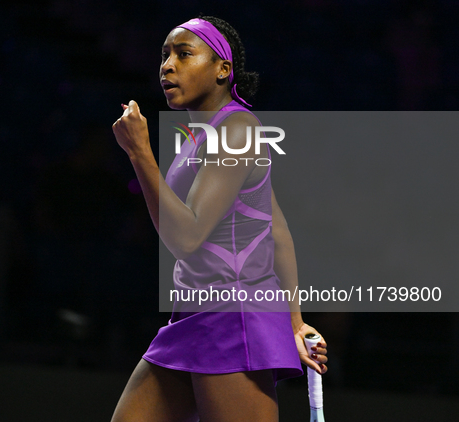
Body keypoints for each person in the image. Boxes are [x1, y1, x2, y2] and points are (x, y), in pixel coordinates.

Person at [111, 15, 327, 422]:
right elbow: (274, 228)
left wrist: (140, 153)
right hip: (192, 316)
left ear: (223, 70)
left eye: (184, 53)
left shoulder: (238, 128)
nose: (167, 65)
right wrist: (296, 323)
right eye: (164, 55)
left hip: (233, 320)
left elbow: (187, 238)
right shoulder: (201, 137)